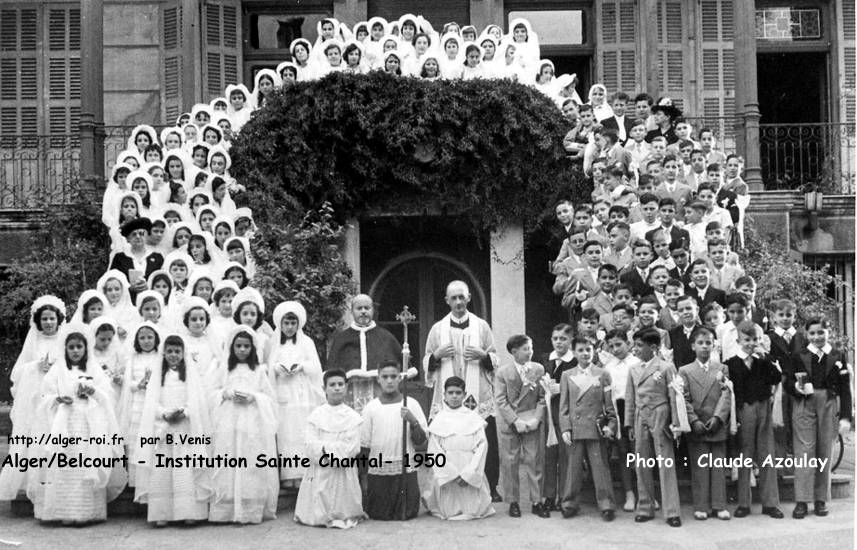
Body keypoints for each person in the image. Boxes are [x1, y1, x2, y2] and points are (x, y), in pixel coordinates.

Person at [26, 324, 126, 524]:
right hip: (64, 425)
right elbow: (45, 395)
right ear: (65, 349)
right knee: (65, 466)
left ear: (85, 348)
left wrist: (92, 392)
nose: (75, 351)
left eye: (79, 347)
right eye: (71, 347)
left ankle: (85, 512)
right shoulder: (57, 370)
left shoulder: (94, 369)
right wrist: (59, 398)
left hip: (87, 426)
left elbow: (107, 396)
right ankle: (63, 512)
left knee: (85, 465)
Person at [424, 280, 500, 500]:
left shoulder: (482, 326)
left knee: (483, 438)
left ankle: (489, 486)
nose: (458, 302)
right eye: (453, 298)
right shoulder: (437, 328)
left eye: (461, 297)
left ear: (468, 298)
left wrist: (483, 355)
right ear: (446, 301)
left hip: (477, 393)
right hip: (449, 393)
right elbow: (427, 358)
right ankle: (445, 484)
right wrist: (436, 356)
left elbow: (495, 358)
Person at [134, 334, 212, 526]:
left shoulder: (190, 376)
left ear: (183, 353)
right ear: (164, 353)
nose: (173, 355)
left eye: (177, 351)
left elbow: (196, 401)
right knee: (163, 470)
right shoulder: (158, 376)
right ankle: (162, 513)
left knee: (184, 469)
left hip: (184, 428)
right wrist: (164, 413)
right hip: (164, 428)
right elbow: (152, 402)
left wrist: (184, 412)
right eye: (169, 351)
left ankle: (188, 512)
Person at [208, 327, 279, 524]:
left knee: (251, 461)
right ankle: (227, 508)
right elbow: (210, 393)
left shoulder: (258, 370)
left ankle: (250, 507)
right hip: (228, 419)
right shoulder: (224, 369)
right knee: (228, 459)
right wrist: (225, 393)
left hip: (251, 421)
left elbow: (269, 397)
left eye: (246, 346)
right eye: (238, 346)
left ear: (252, 348)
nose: (242, 350)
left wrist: (254, 397)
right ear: (231, 347)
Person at [786, 317, 852, 519]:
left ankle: (821, 499)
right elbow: (788, 382)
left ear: (828, 332)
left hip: (828, 404)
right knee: (804, 452)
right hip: (804, 404)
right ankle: (802, 501)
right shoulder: (799, 355)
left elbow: (844, 389)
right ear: (807, 335)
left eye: (821, 332)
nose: (817, 337)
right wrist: (796, 388)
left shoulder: (838, 355)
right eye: (812, 333)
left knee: (825, 451)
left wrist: (846, 418)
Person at [725, 321, 785, 519]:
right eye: (747, 340)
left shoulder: (764, 360)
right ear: (739, 341)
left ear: (762, 340)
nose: (752, 343)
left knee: (767, 453)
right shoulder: (731, 363)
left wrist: (766, 359)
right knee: (745, 455)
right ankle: (743, 502)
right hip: (744, 410)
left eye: (756, 339)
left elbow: (777, 378)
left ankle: (770, 503)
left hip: (763, 408)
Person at [294, 369, 366, 529]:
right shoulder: (316, 415)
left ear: (346, 387)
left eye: (341, 384)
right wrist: (326, 452)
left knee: (343, 502)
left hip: (343, 469)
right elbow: (310, 443)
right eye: (332, 385)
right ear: (324, 388)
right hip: (320, 467)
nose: (337, 388)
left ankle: (343, 513)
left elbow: (352, 446)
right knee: (319, 499)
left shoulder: (352, 417)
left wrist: (327, 449)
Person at [625, 327, 682, 527]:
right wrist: (630, 423)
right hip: (641, 416)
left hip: (660, 414)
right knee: (641, 463)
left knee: (665, 463)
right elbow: (630, 398)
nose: (635, 349)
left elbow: (674, 397)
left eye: (640, 345)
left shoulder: (666, 367)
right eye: (634, 345)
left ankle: (672, 511)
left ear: (654, 347)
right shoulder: (633, 370)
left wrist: (676, 423)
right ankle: (645, 507)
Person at [266, 301, 325, 487]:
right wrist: (277, 368)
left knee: (302, 432)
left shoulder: (306, 342)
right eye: (286, 323)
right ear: (280, 324)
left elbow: (316, 366)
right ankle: (289, 476)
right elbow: (268, 368)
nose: (290, 327)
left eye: (293, 323)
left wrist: (301, 367)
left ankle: (304, 475)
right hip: (283, 393)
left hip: (302, 392)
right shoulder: (274, 343)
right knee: (287, 434)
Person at [558, 336, 617, 521]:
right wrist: (566, 428)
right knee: (573, 468)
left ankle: (606, 504)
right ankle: (569, 503)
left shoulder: (603, 373)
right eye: (581, 350)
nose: (585, 353)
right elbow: (564, 406)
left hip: (595, 427)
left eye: (588, 350)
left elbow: (610, 405)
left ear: (594, 352)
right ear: (574, 353)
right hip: (575, 427)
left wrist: (611, 425)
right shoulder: (567, 375)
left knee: (600, 467)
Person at [361, 360, 428, 520]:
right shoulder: (371, 408)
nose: (389, 381)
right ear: (378, 379)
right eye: (385, 377)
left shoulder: (411, 404)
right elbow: (364, 445)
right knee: (378, 514)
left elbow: (421, 442)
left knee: (408, 513)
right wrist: (364, 479)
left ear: (400, 378)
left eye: (393, 376)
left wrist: (413, 421)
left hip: (405, 470)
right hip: (379, 471)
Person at [423, 376, 496, 520]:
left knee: (473, 508)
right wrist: (451, 474)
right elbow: (434, 450)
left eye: (458, 392)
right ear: (444, 395)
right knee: (448, 509)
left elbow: (482, 446)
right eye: (450, 393)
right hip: (447, 468)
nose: (454, 396)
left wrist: (468, 474)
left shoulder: (473, 417)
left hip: (468, 463)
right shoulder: (440, 418)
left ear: (464, 394)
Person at [678, 325, 732, 521]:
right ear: (693, 346)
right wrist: (694, 421)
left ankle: (719, 505)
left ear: (714, 345)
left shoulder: (722, 368)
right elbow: (683, 398)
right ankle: (701, 505)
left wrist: (718, 418)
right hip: (698, 425)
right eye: (700, 343)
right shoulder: (684, 370)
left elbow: (726, 394)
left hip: (716, 423)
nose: (704, 347)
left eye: (708, 343)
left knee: (718, 466)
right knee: (700, 466)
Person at [494, 334, 549, 518]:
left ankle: (537, 500)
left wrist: (536, 419)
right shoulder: (503, 372)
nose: (530, 352)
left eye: (531, 348)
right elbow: (501, 400)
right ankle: (513, 502)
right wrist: (515, 421)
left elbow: (543, 398)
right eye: (526, 349)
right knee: (510, 463)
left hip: (532, 421)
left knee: (535, 461)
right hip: (511, 423)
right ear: (514, 351)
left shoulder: (538, 369)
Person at [326, 294, 402, 413]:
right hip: (350, 394)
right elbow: (333, 372)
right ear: (352, 311)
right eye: (359, 308)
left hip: (378, 391)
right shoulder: (342, 339)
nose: (363, 311)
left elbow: (398, 368)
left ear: (373, 310)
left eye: (367, 308)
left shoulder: (385, 337)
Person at [109, 217, 165, 304]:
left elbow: (163, 281)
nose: (138, 237)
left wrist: (149, 285)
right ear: (128, 239)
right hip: (128, 303)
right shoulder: (120, 258)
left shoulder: (158, 257)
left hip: (152, 302)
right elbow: (113, 281)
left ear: (146, 235)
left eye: (141, 233)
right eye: (134, 234)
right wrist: (129, 288)